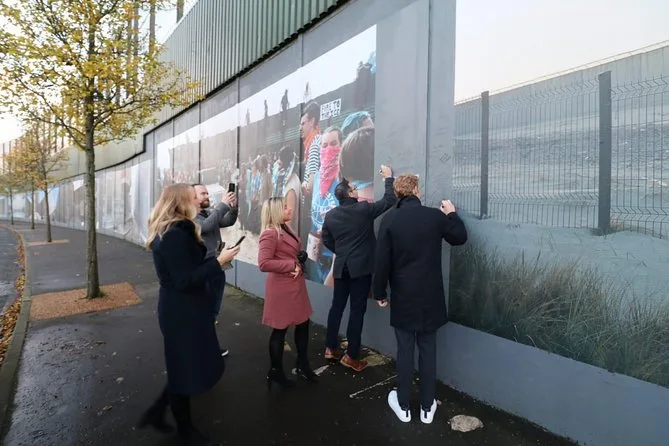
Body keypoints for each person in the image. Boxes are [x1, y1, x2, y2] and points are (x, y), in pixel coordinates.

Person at [139, 183, 240, 445]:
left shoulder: (174, 230)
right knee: (183, 370)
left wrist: (215, 260)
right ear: (181, 202)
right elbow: (184, 281)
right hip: (182, 312)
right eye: (192, 197)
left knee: (182, 366)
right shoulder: (175, 234)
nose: (197, 200)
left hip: (183, 308)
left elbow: (186, 271)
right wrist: (218, 262)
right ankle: (185, 430)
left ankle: (158, 413)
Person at [373, 174, 467, 425]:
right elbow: (459, 237)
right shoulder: (433, 217)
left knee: (405, 351)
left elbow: (381, 262)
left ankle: (403, 406)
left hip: (403, 296)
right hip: (430, 297)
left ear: (398, 193)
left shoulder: (389, 219)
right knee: (428, 349)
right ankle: (427, 407)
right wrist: (451, 214)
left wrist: (380, 293)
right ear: (416, 190)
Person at [320, 164, 396, 372]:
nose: (356, 190)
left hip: (341, 268)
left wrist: (341, 251)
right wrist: (388, 178)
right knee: (356, 311)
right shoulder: (363, 209)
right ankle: (352, 356)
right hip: (360, 269)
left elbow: (326, 239)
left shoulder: (331, 215)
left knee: (336, 307)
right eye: (354, 188)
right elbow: (389, 200)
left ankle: (330, 348)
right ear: (350, 194)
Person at [257, 197, 318, 389]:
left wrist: (300, 257)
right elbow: (263, 263)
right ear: (275, 211)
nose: (289, 209)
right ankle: (276, 371)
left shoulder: (285, 228)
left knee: (303, 323)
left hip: (295, 285)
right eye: (284, 207)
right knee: (280, 329)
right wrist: (291, 264)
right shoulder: (270, 234)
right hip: (282, 288)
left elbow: (288, 252)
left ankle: (302, 364)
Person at [193, 184, 238, 357]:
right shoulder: (190, 217)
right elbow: (205, 227)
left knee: (212, 312)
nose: (206, 196)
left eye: (207, 193)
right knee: (203, 312)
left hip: (218, 267)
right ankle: (202, 350)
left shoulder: (208, 213)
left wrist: (233, 207)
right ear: (192, 197)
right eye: (202, 193)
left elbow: (228, 221)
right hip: (205, 270)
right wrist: (223, 205)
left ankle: (208, 347)